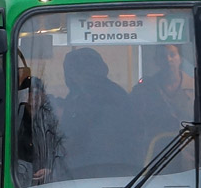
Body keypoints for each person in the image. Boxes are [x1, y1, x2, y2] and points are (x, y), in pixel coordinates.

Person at [59, 48, 141, 176]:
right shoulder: (77, 96)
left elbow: (103, 139)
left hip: (108, 168)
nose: (71, 77)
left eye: (75, 71)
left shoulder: (112, 97)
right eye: (69, 72)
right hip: (80, 166)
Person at [131, 44, 196, 158]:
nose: (168, 59)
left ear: (180, 58)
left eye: (172, 55)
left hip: (192, 157)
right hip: (155, 157)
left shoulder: (198, 88)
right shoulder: (144, 89)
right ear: (156, 61)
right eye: (162, 56)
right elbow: (133, 124)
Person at [17, 77, 61, 184]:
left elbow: (63, 149)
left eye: (38, 92)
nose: (34, 96)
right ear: (23, 96)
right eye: (30, 92)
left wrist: (52, 170)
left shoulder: (53, 118)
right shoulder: (14, 118)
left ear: (44, 96)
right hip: (19, 182)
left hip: (50, 181)